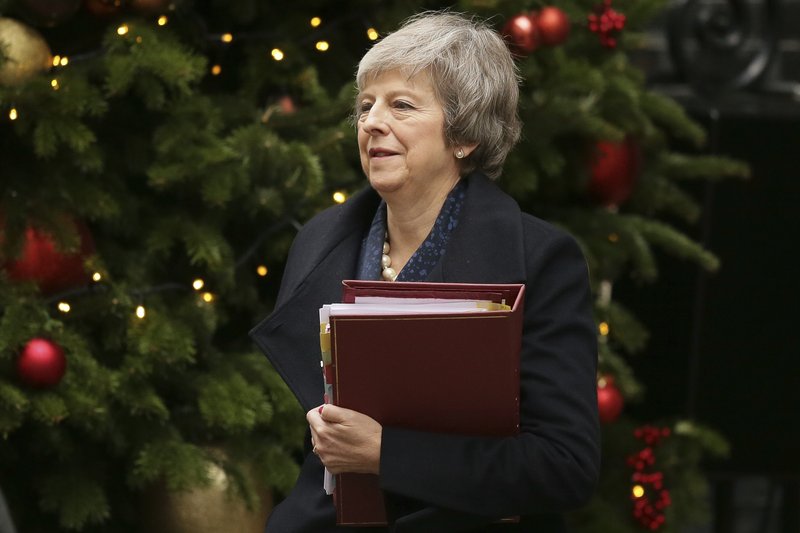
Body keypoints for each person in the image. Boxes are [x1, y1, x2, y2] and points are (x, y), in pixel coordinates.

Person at [250, 11, 600, 532]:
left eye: (402, 105)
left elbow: (564, 467)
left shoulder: (542, 260)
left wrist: (388, 454)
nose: (371, 122)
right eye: (365, 106)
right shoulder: (320, 241)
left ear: (464, 135)